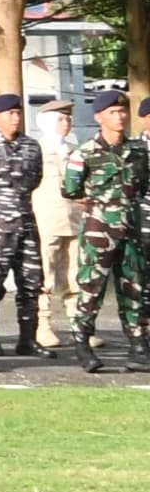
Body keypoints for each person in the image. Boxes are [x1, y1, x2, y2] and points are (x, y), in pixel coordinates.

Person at [60, 84, 149, 372]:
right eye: (113, 112)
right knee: (91, 289)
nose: (120, 117)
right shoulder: (85, 153)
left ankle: (138, 346)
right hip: (99, 230)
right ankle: (83, 344)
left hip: (131, 229)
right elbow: (70, 188)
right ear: (99, 116)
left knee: (134, 288)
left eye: (123, 111)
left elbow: (143, 185)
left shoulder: (138, 151)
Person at [0, 91, 47, 357]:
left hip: (25, 224)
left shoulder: (31, 146)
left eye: (18, 113)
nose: (15, 118)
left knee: (31, 282)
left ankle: (28, 339)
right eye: (10, 114)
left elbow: (35, 178)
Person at [32, 97, 79, 351]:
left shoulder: (74, 149)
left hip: (74, 219)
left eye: (68, 118)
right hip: (47, 219)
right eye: (61, 118)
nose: (66, 123)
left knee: (76, 274)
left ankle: (79, 325)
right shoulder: (38, 149)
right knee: (46, 274)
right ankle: (44, 324)